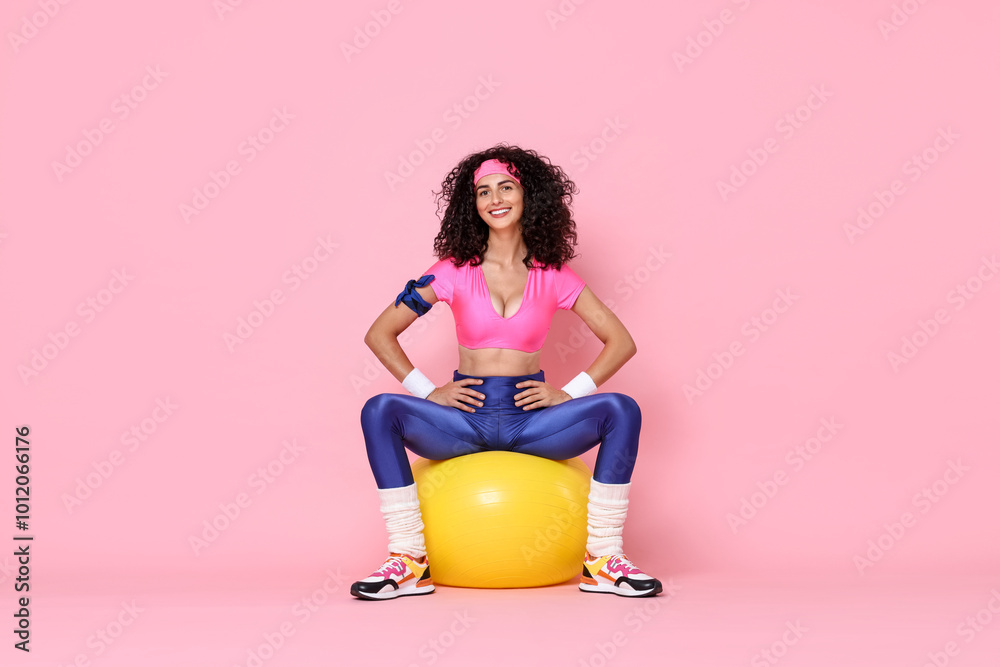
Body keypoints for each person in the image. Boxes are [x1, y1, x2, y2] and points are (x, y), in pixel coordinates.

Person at [351, 144, 661, 601]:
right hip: (465, 419)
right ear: (471, 205)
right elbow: (380, 333)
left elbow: (622, 342)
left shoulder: (554, 274)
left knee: (622, 409)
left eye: (506, 187)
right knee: (379, 410)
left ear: (528, 197)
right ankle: (408, 559)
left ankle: (602, 559)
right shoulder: (451, 272)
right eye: (483, 192)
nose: (494, 198)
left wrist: (569, 393)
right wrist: (427, 390)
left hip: (531, 419)